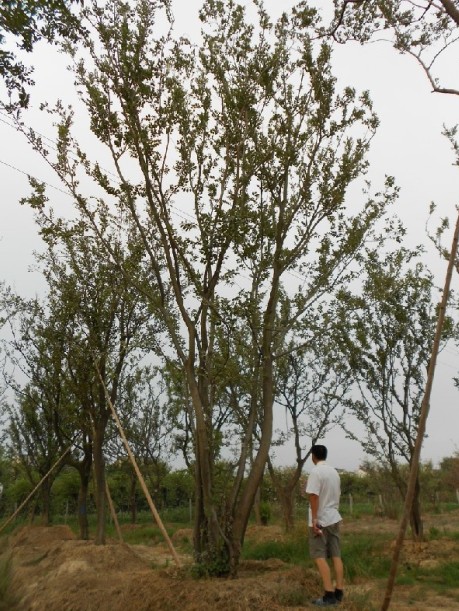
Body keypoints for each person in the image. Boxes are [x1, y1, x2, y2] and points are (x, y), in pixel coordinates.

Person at [305, 444, 344, 607]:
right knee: (336, 555)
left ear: (313, 456)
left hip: (321, 520)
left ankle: (329, 595)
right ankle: (339, 592)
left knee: (319, 556)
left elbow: (314, 496)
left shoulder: (316, 472)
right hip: (334, 517)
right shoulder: (334, 472)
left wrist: (315, 520)